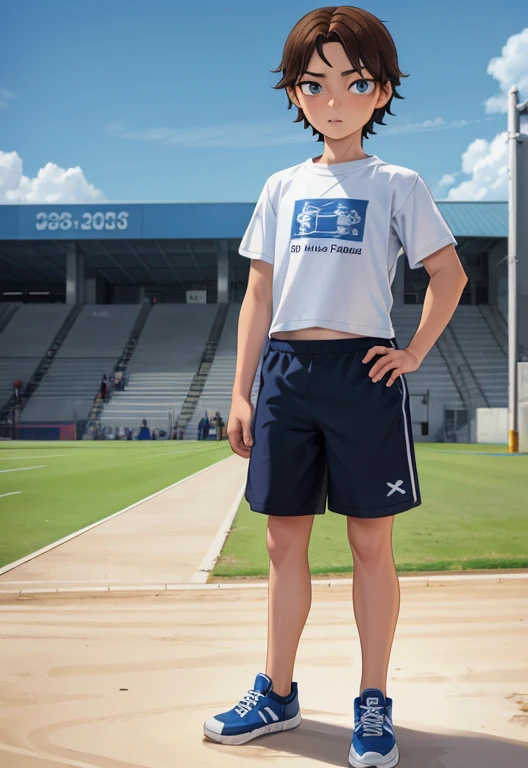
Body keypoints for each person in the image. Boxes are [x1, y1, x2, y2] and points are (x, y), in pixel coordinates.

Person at [203, 7, 468, 767]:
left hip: (362, 373)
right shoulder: (280, 185)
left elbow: (445, 275)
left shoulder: (398, 183)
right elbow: (258, 292)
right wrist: (243, 389)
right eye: (314, 84)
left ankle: (373, 702)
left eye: (353, 82)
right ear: (295, 93)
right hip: (286, 373)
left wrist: (412, 352)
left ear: (380, 91)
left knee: (368, 543)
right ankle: (277, 692)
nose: (334, 100)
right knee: (283, 540)